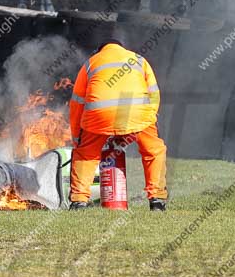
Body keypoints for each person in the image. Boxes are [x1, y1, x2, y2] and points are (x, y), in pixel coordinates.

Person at [69, 38, 168, 211]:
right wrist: (149, 117)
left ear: (100, 50)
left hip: (99, 114)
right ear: (122, 48)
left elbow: (77, 104)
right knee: (154, 151)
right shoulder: (138, 59)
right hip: (137, 111)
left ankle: (79, 202)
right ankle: (157, 200)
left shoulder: (90, 63)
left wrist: (77, 138)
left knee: (86, 155)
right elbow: (154, 94)